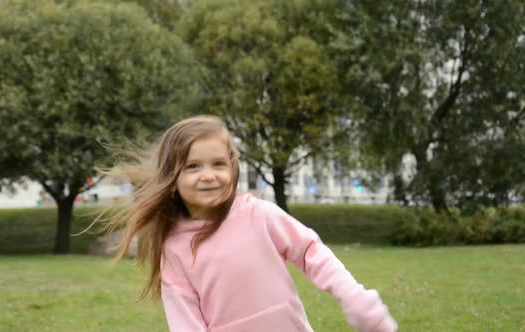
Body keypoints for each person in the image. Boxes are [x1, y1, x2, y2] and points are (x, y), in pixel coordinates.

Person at [109, 115, 398, 332]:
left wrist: (355, 298)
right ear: (172, 180)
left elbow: (312, 253)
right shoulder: (174, 248)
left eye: (218, 164)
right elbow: (185, 319)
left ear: (232, 168)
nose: (208, 175)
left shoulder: (259, 215)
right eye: (193, 166)